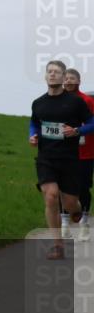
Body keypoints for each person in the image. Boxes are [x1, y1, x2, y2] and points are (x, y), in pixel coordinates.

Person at [29, 61, 93, 258]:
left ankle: (77, 212)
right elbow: (34, 123)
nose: (52, 74)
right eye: (49, 71)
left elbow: (92, 122)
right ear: (45, 76)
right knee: (51, 196)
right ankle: (58, 246)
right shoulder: (38, 103)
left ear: (64, 77)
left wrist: (77, 131)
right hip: (46, 158)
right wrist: (32, 136)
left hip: (70, 159)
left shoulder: (75, 102)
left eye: (57, 72)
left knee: (70, 203)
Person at [64, 68, 94, 241]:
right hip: (62, 152)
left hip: (85, 152)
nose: (68, 81)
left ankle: (84, 223)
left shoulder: (87, 101)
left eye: (72, 78)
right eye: (66, 78)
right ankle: (64, 224)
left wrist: (78, 130)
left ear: (79, 81)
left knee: (83, 188)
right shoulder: (57, 101)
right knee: (63, 188)